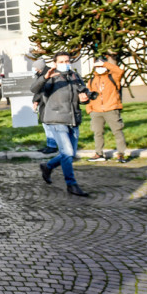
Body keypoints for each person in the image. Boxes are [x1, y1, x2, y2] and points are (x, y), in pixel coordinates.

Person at [31, 52, 91, 196]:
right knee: (68, 152)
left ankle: (48, 166)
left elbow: (84, 92)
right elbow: (35, 89)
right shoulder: (51, 77)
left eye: (67, 61)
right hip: (56, 118)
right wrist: (45, 77)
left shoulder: (75, 76)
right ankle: (71, 184)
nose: (65, 63)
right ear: (55, 63)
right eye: (62, 61)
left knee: (70, 154)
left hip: (73, 119)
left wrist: (85, 98)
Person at [86, 55, 129, 163]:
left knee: (117, 131)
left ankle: (121, 154)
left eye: (102, 66)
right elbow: (89, 95)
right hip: (96, 110)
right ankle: (99, 153)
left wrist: (104, 64)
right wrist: (89, 109)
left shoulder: (113, 77)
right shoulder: (92, 80)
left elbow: (119, 71)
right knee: (97, 132)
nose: (100, 68)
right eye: (98, 66)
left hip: (111, 108)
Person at [31, 59, 58, 154]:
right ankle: (49, 145)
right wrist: (36, 101)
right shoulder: (41, 74)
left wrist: (36, 100)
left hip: (48, 103)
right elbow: (37, 90)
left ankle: (52, 145)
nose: (33, 69)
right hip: (43, 103)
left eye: (35, 67)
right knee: (46, 125)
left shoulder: (48, 74)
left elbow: (42, 89)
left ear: (39, 67)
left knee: (49, 125)